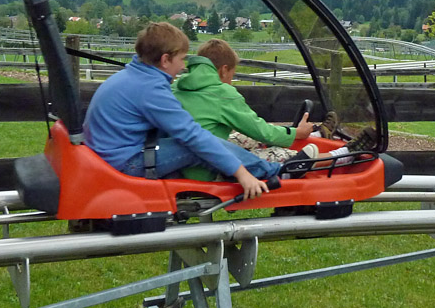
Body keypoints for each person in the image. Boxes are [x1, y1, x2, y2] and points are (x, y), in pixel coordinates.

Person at [85, 22, 296, 200]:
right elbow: (192, 136)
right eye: (181, 59)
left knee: (199, 142)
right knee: (193, 145)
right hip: (124, 164)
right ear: (165, 59)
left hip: (111, 156)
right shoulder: (150, 89)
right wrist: (241, 173)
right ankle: (274, 172)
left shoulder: (133, 76)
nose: (183, 66)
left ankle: (259, 167)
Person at [173, 38, 350, 180]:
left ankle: (316, 136)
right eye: (232, 75)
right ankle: (343, 154)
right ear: (223, 70)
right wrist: (295, 133)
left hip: (184, 162)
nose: (231, 81)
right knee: (280, 155)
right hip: (209, 170)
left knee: (241, 137)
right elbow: (261, 132)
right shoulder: (222, 93)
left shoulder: (177, 87)